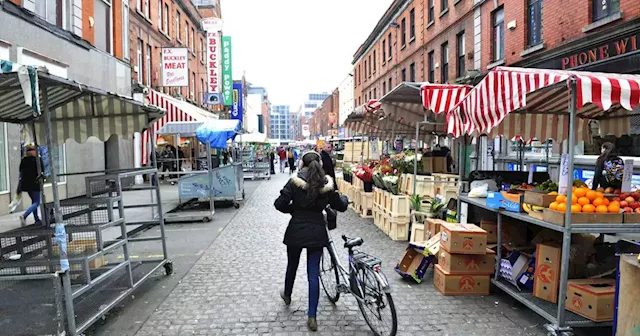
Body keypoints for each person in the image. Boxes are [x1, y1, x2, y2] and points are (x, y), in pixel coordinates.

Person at [274, 151, 349, 331]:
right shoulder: (326, 183)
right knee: (313, 274)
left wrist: (294, 210)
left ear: (302, 164)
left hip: (296, 231)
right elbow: (341, 205)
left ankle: (288, 294)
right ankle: (312, 316)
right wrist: (344, 198)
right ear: (320, 164)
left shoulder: (294, 182)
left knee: (292, 265)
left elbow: (279, 204)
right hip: (317, 232)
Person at [19, 145, 44, 226]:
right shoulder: (38, 160)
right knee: (36, 202)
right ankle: (24, 215)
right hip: (35, 184)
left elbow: (20, 171)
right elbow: (42, 170)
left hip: (26, 185)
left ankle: (36, 219)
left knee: (33, 201)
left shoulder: (24, 160)